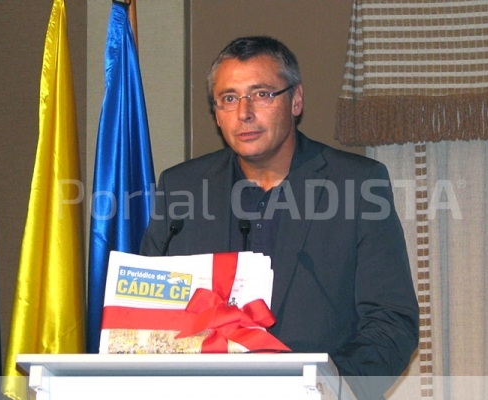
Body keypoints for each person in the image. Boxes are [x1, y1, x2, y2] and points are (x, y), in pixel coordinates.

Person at [140, 36, 419, 399]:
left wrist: (328, 386)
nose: (244, 113)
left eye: (261, 94)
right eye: (228, 98)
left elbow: (391, 322)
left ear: (296, 100)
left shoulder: (357, 184)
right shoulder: (183, 187)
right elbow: (146, 312)